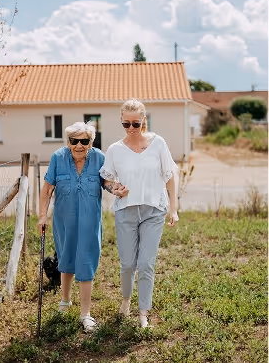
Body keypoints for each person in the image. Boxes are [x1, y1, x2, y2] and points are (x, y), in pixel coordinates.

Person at [99, 99, 179, 328]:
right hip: (126, 211)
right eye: (127, 124)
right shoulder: (115, 150)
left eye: (136, 123)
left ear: (144, 120)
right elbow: (106, 178)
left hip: (154, 210)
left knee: (146, 263)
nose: (132, 129)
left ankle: (143, 311)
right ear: (121, 122)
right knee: (127, 264)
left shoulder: (158, 143)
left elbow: (169, 175)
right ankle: (126, 299)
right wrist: (115, 189)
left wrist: (173, 209)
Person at [38, 121, 105, 332]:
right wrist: (42, 217)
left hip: (90, 222)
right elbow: (47, 189)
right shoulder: (58, 158)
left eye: (84, 141)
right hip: (64, 221)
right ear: (68, 141)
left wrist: (118, 188)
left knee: (85, 261)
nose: (78, 145)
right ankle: (65, 301)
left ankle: (85, 313)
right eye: (73, 141)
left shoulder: (99, 158)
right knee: (65, 258)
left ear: (91, 142)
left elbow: (107, 182)